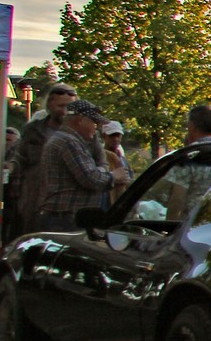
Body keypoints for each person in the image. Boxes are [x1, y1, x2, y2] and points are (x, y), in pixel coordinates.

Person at [34, 99, 128, 233]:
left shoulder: (67, 140)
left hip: (63, 217)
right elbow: (91, 179)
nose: (96, 128)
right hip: (65, 219)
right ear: (80, 119)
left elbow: (98, 166)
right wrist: (114, 176)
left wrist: (100, 171)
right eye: (94, 122)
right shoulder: (69, 142)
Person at [9, 83, 77, 235]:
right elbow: (19, 158)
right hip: (33, 199)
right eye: (61, 106)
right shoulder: (33, 130)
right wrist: (11, 168)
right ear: (50, 105)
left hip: (64, 205)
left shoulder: (81, 132)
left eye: (69, 107)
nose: (65, 111)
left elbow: (97, 163)